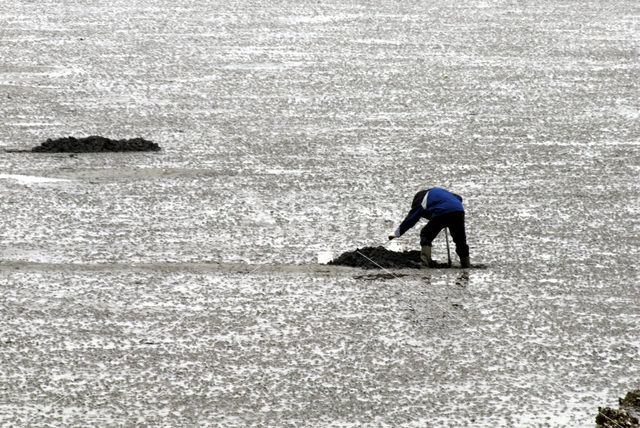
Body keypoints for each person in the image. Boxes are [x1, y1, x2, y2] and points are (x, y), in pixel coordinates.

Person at [388, 187, 470, 268]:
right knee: (460, 240)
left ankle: (425, 263)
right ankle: (466, 265)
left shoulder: (421, 201)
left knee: (426, 234)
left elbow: (410, 220)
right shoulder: (438, 194)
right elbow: (459, 198)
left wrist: (396, 234)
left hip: (442, 212)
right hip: (459, 211)